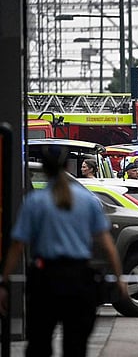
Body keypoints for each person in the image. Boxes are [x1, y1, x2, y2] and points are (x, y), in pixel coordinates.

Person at [0, 145, 126, 357]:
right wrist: (119, 278)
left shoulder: (35, 202)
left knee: (39, 344)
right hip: (79, 280)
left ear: (46, 169)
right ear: (68, 166)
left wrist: (4, 283)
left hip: (45, 280)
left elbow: (17, 246)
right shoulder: (87, 201)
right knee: (76, 346)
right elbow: (107, 245)